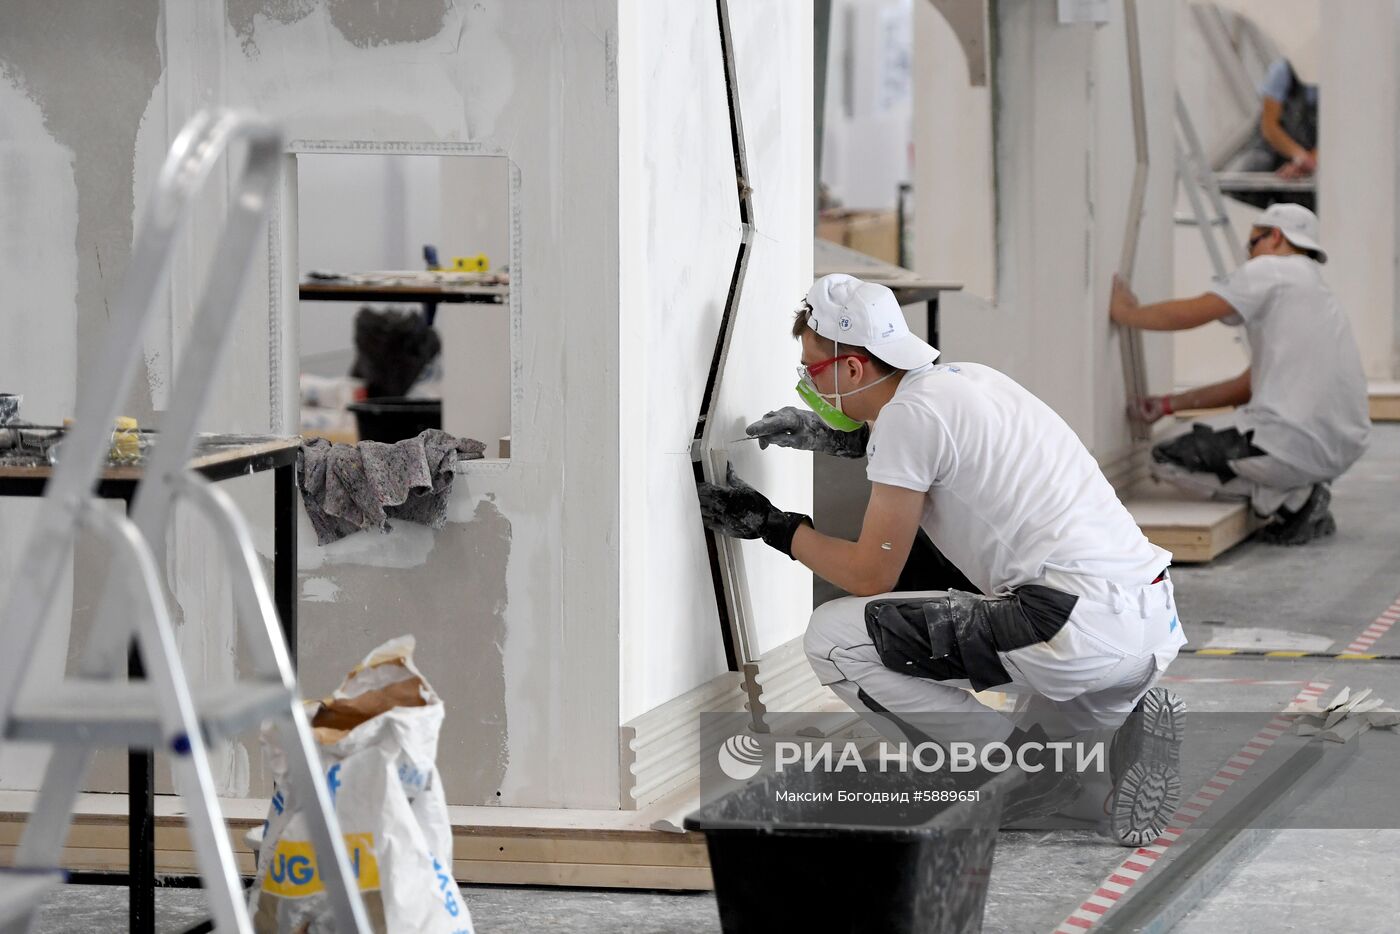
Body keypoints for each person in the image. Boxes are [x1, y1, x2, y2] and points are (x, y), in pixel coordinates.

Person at [697, 273, 1187, 847]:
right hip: (1147, 622)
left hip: (1068, 631)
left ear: (853, 368)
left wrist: (772, 526)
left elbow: (869, 574)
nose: (806, 380)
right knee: (1036, 797)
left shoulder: (909, 419)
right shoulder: (970, 380)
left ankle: (1012, 769)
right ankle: (1107, 772)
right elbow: (927, 443)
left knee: (833, 637)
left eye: (813, 368)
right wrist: (827, 433)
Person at [1110, 202, 1369, 545]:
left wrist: (1127, 313)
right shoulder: (1314, 292)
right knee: (1225, 438)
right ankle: (1302, 487)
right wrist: (1169, 404)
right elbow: (1249, 384)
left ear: (1275, 237)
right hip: (1339, 444)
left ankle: (1294, 501)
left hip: (1290, 442)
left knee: (1164, 457)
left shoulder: (1274, 269)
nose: (1249, 256)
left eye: (1252, 244)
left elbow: (1195, 311)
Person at [1236, 57, 1318, 209]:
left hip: (1305, 168)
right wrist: (1300, 157)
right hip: (1272, 156)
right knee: (1258, 169)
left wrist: (1306, 163)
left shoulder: (1337, 77)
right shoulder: (1283, 71)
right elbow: (1269, 127)